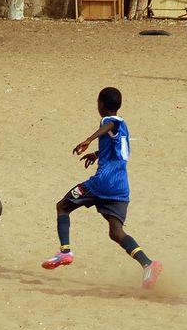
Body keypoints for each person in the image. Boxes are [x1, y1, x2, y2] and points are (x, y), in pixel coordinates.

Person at [41, 87, 162, 289]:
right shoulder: (124, 128)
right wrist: (97, 155)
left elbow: (109, 124)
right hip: (121, 187)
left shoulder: (109, 121)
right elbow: (115, 148)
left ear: (102, 105)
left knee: (63, 206)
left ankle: (65, 251)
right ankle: (148, 264)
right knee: (116, 232)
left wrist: (89, 139)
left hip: (102, 182)